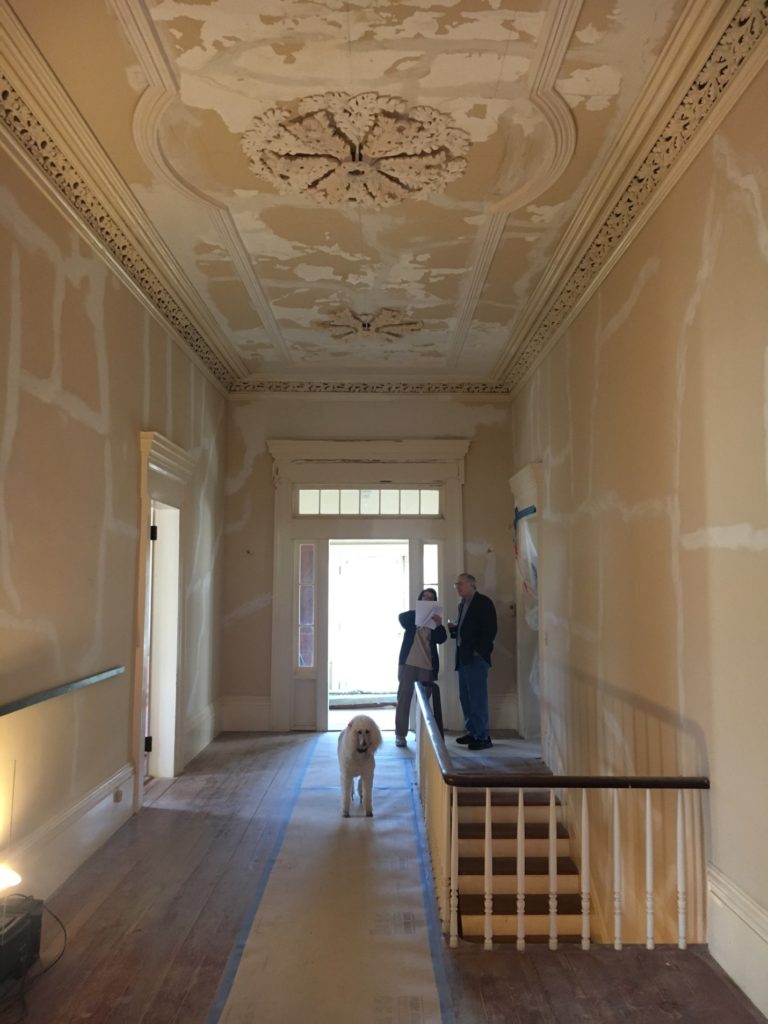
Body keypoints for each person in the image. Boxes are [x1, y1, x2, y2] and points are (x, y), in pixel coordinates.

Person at [448, 573, 497, 750]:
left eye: (460, 584)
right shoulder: (463, 605)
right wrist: (454, 630)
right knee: (466, 697)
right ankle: (473, 732)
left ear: (472, 584)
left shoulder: (483, 602)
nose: (458, 587)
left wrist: (478, 650)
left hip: (475, 658)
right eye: (456, 585)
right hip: (463, 657)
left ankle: (483, 737)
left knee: (477, 698)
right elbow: (464, 631)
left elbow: (490, 629)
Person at [395, 588, 447, 747]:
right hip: (409, 663)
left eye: (430, 598)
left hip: (427, 665)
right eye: (424, 596)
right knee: (403, 698)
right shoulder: (411, 618)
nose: (427, 599)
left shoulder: (434, 621)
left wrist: (438, 625)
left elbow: (441, 639)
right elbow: (401, 618)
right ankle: (400, 735)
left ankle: (421, 733)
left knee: (424, 702)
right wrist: (420, 612)